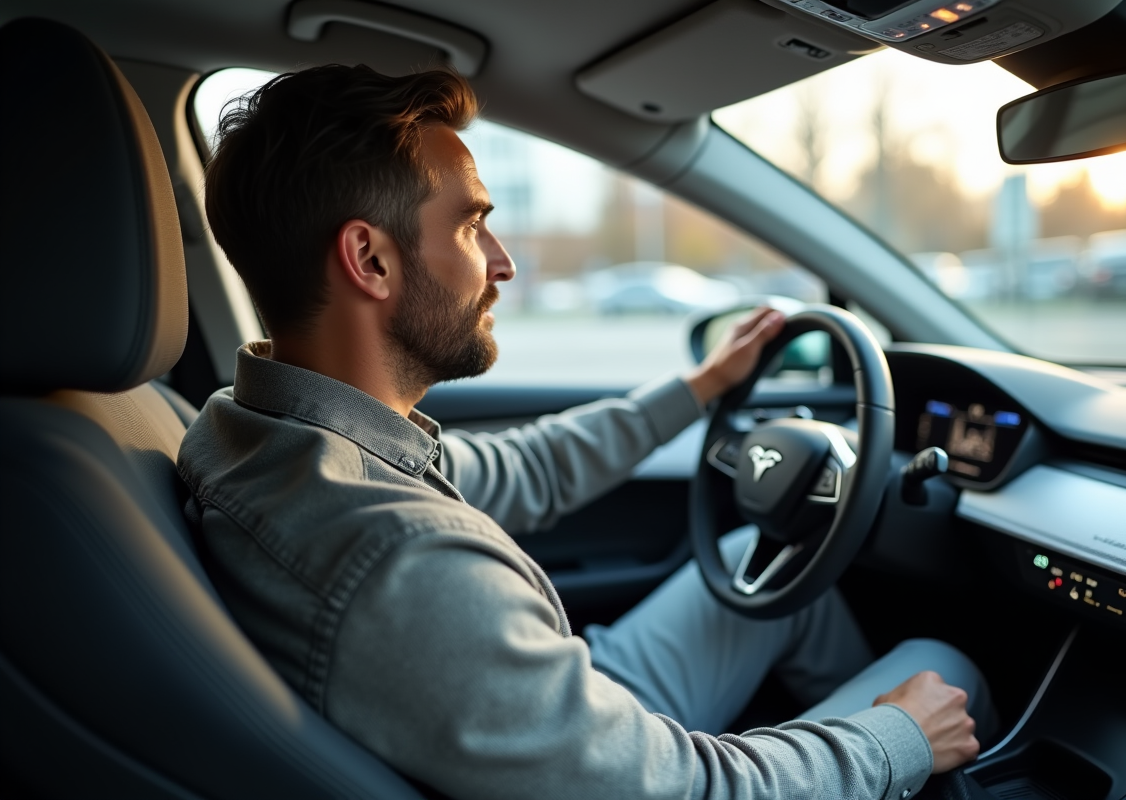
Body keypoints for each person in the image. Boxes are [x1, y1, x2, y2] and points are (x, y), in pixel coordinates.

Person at [179, 64, 995, 800]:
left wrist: (700, 387)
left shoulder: (259, 432)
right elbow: (687, 788)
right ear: (370, 260)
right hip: (614, 762)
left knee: (763, 559)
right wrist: (893, 740)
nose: (502, 262)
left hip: (555, 719)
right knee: (942, 673)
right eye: (470, 225)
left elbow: (527, 469)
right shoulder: (400, 564)